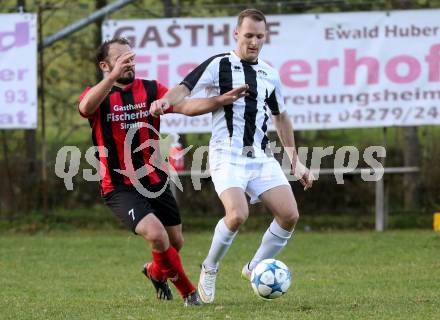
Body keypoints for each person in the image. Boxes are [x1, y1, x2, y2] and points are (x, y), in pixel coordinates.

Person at [150, 9, 314, 304]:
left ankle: (253, 268)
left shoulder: (269, 73)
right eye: (248, 35)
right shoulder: (219, 65)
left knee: (289, 215)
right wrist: (165, 101)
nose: (254, 42)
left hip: (260, 157)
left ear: (265, 37)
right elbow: (183, 88)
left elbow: (281, 118)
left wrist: (295, 160)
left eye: (259, 36)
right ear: (236, 34)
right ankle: (209, 267)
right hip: (226, 155)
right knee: (237, 215)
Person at [78, 37, 248, 307]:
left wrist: (219, 100)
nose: (129, 63)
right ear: (105, 65)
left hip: (154, 179)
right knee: (157, 236)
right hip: (119, 185)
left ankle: (156, 273)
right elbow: (85, 108)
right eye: (121, 59)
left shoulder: (150, 88)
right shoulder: (98, 95)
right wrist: (111, 78)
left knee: (174, 242)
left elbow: (184, 106)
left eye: (131, 58)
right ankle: (189, 292)